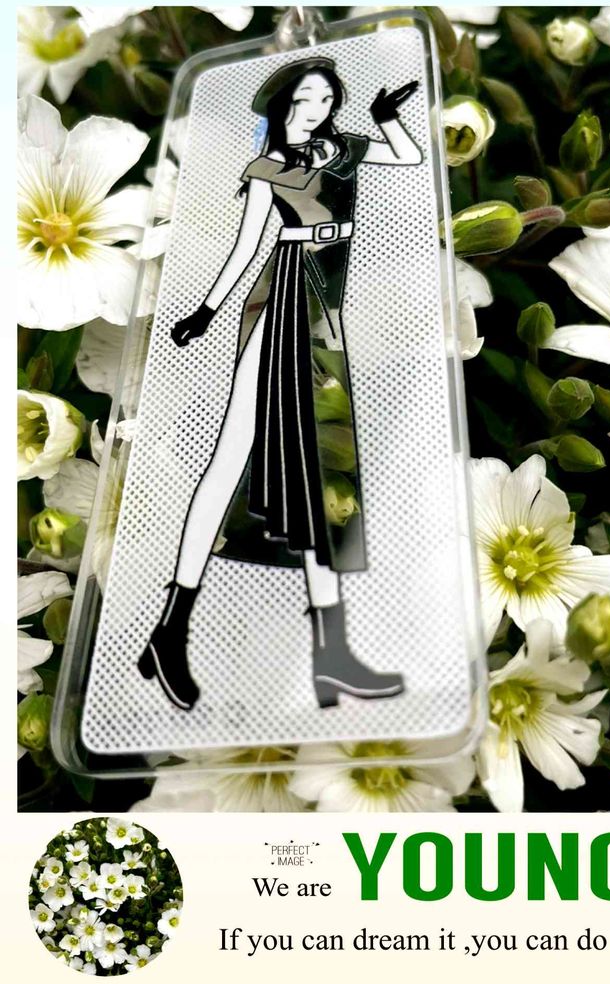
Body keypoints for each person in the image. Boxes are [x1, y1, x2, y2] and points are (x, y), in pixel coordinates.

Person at [138, 56, 423, 712]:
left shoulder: (344, 149)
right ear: (282, 104)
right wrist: (205, 312)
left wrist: (386, 119)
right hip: (285, 293)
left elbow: (408, 157)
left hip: (329, 295)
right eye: (306, 98)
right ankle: (171, 629)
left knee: (312, 472)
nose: (318, 109)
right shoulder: (267, 166)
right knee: (232, 455)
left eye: (327, 98)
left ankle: (331, 654)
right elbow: (247, 247)